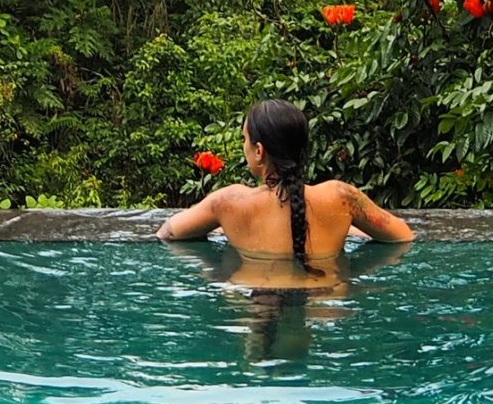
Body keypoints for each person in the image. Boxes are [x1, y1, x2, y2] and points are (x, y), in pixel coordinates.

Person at [156, 99, 413, 287]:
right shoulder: (342, 198)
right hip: (326, 300)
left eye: (243, 139)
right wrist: (349, 229)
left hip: (255, 301)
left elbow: (169, 233)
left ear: (259, 151)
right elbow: (402, 237)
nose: (243, 145)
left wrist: (221, 228)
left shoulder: (229, 203)